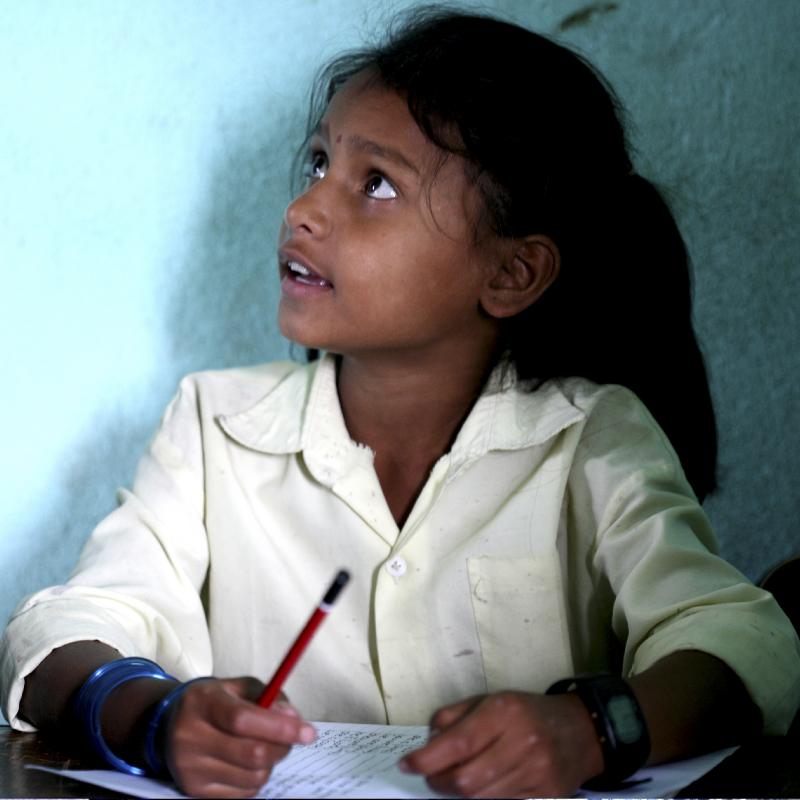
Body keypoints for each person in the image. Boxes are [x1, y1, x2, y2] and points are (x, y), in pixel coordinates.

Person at [2, 7, 798, 799]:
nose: (303, 210)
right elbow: (63, 630)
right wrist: (153, 715)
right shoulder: (215, 425)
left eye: (375, 184)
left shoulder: (591, 440)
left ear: (511, 273)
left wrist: (588, 729)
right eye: (318, 164)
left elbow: (743, 641)